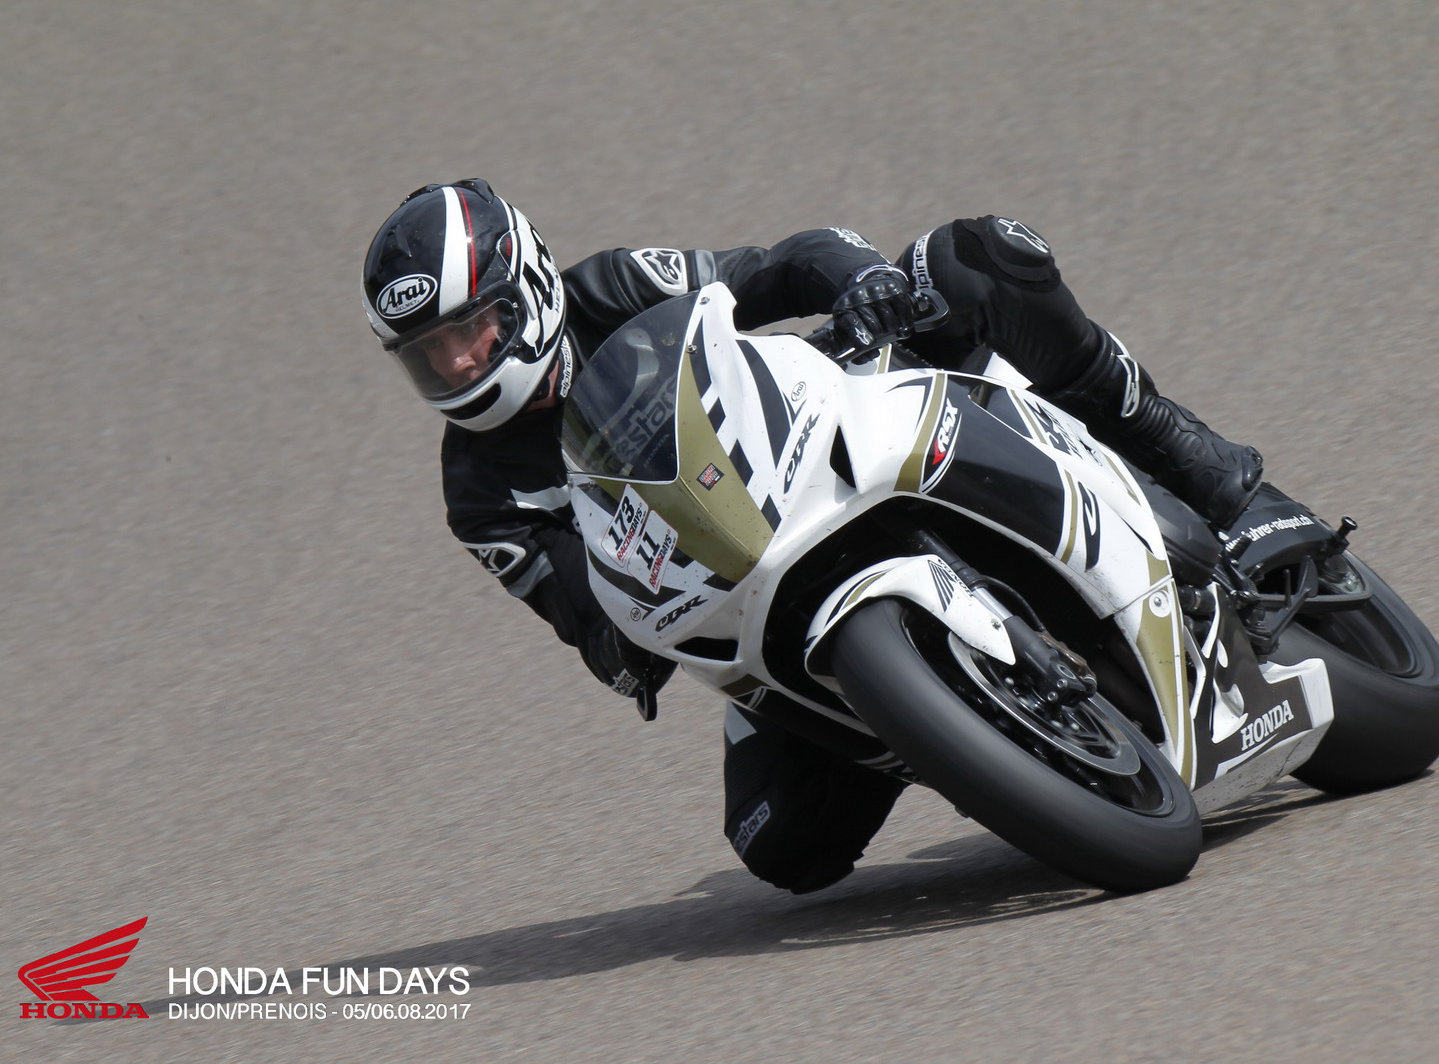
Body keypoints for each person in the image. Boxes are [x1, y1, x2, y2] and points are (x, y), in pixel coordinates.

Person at [361, 178, 1262, 894]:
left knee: (967, 261)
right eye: (429, 352)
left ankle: (1179, 452)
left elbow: (776, 268)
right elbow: (591, 625)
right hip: (738, 596)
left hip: (812, 464)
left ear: (526, 287)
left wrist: (858, 280)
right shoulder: (479, 497)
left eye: (469, 329)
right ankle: (952, 723)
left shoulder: (612, 288)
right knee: (781, 848)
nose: (458, 362)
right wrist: (624, 635)